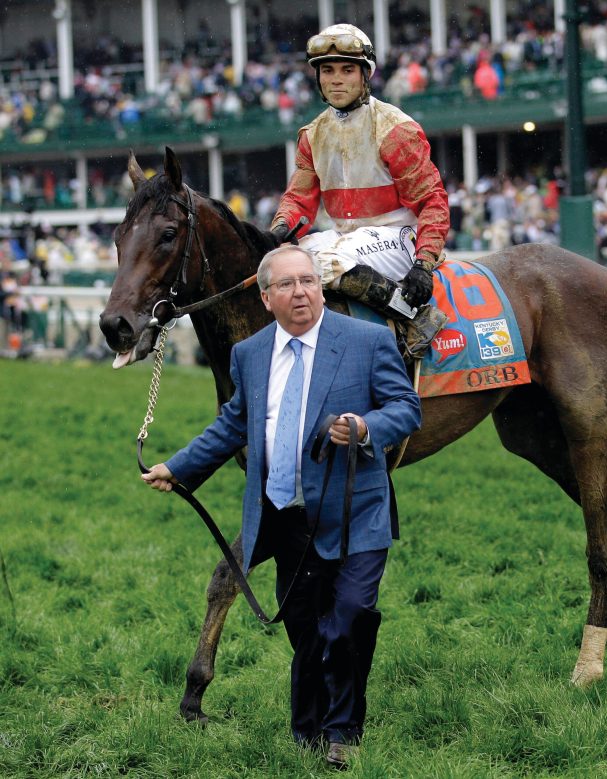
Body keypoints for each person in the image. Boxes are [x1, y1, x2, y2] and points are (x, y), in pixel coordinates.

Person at [141, 245, 421, 769]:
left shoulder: (366, 340)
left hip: (355, 512)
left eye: (309, 281)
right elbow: (232, 425)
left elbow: (406, 408)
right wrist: (178, 468)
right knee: (307, 631)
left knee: (349, 618)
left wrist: (364, 428)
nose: (302, 293)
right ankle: (308, 732)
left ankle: (342, 732)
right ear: (266, 298)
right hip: (286, 517)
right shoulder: (249, 355)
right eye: (288, 285)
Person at [268, 23, 450, 361]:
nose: (336, 79)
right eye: (328, 70)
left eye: (347, 70)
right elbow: (299, 200)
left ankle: (414, 319)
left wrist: (423, 263)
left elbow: (432, 201)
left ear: (365, 75)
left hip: (400, 236)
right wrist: (279, 229)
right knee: (281, 263)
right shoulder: (312, 134)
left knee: (324, 263)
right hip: (345, 236)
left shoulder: (395, 129)